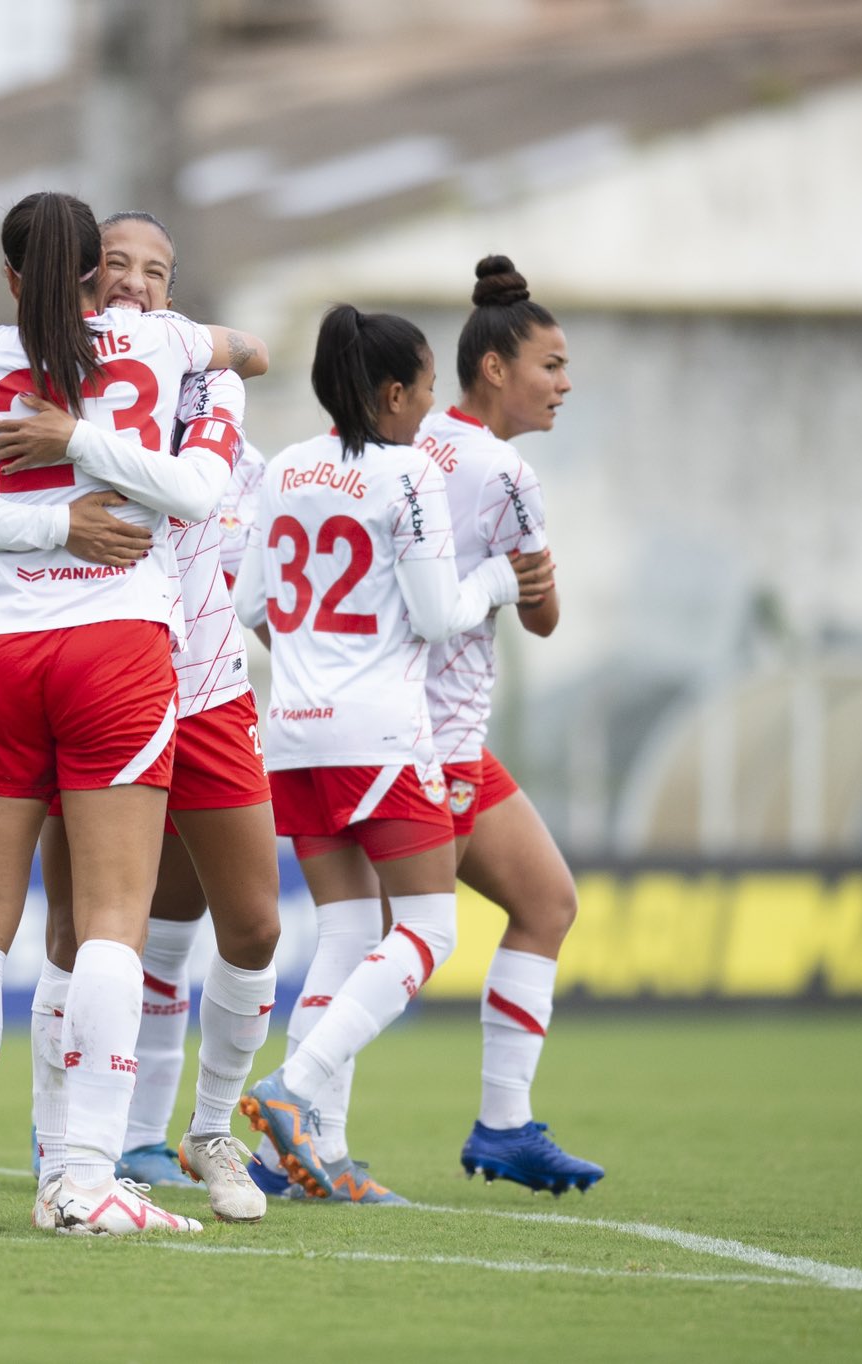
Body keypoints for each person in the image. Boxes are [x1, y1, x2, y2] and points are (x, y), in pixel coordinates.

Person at [0, 189, 266, 1236]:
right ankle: (82, 1179)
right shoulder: (162, 342)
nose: (129, 281)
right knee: (114, 921)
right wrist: (80, 504)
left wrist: (42, 508)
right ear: (87, 274)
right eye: (114, 263)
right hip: (115, 640)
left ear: (15, 275)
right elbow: (244, 349)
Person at [233, 304, 550, 1201]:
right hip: (378, 730)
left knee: (345, 929)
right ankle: (291, 1096)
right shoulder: (406, 473)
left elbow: (254, 600)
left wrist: (309, 653)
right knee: (427, 928)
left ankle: (313, 1158)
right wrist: (501, 579)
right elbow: (442, 613)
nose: (432, 410)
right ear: (393, 392)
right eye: (425, 390)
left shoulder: (288, 464)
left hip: (292, 731)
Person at [419, 256, 602, 1193]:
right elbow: (542, 616)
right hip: (429, 740)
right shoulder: (505, 471)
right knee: (388, 949)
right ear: (495, 368)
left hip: (415, 728)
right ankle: (296, 1120)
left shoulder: (413, 445)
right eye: (552, 365)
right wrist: (529, 572)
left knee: (545, 902)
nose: (565, 384)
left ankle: (503, 1126)